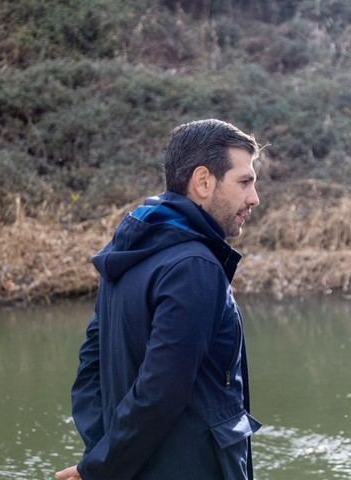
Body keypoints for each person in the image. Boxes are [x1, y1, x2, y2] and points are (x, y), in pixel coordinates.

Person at [56, 119, 262, 480]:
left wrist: (103, 453)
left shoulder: (129, 252)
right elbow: (161, 390)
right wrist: (101, 467)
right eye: (244, 181)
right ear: (203, 182)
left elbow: (90, 371)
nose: (253, 198)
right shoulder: (194, 266)